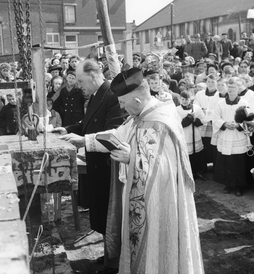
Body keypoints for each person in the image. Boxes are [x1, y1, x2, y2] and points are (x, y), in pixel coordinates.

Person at [75, 68, 204, 274]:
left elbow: (165, 168)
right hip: (138, 196)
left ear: (136, 101)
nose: (120, 107)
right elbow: (117, 135)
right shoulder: (138, 115)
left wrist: (131, 158)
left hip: (161, 200)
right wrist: (84, 141)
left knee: (157, 249)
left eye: (123, 103)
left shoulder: (161, 121)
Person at [53, 59, 126, 274]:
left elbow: (113, 133)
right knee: (101, 214)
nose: (79, 85)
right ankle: (109, 256)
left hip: (108, 167)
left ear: (94, 76)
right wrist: (65, 130)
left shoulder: (112, 96)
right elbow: (86, 126)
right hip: (96, 164)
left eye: (82, 80)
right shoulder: (95, 95)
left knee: (110, 215)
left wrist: (84, 140)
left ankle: (114, 263)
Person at [212, 77, 249, 196]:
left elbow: (249, 120)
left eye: (234, 87)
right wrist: (224, 124)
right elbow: (215, 118)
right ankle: (228, 185)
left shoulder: (244, 103)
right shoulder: (220, 103)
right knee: (227, 161)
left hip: (238, 136)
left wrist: (238, 125)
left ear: (239, 89)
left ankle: (238, 186)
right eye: (230, 87)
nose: (231, 89)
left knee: (238, 161)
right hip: (226, 135)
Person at [177, 90, 207, 180]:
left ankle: (197, 171)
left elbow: (203, 120)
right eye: (183, 99)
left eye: (187, 99)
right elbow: (179, 124)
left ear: (191, 99)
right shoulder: (177, 110)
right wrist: (189, 118)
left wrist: (195, 120)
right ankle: (188, 173)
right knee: (187, 154)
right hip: (185, 135)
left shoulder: (196, 108)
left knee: (197, 153)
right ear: (180, 99)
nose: (185, 101)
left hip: (195, 133)